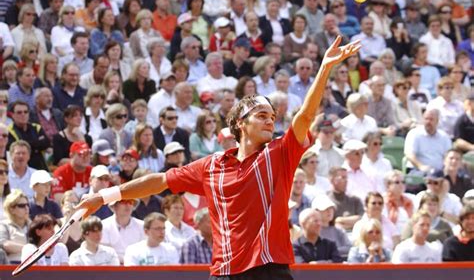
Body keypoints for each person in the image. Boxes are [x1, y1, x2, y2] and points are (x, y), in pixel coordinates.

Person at [76, 35, 361, 278]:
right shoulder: (212, 165)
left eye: (272, 117)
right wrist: (103, 197)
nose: (270, 122)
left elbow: (305, 116)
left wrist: (324, 69)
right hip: (225, 271)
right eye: (261, 115)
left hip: (270, 268)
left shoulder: (279, 153)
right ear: (240, 124)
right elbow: (159, 181)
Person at [404, 108, 452, 175]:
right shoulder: (414, 134)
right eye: (426, 119)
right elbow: (409, 155)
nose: (428, 122)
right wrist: (421, 166)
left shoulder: (444, 136)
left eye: (431, 119)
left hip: (440, 171)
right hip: (417, 170)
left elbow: (448, 156)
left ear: (437, 121)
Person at [7, 101, 50, 171]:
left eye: (25, 112)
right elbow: (14, 148)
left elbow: (46, 143)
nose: (23, 114)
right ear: (12, 115)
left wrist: (26, 144)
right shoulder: (9, 131)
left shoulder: (36, 127)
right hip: (21, 169)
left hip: (40, 167)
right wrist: (36, 145)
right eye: (19, 112)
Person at [101, 198, 145, 263]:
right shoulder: (103, 225)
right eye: (123, 202)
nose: (127, 205)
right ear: (114, 206)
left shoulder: (142, 226)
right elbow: (105, 252)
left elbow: (144, 250)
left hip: (136, 266)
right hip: (111, 267)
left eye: (130, 202)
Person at [0, 190, 30, 264]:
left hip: (34, 265)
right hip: (11, 266)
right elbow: (4, 244)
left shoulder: (33, 225)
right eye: (22, 206)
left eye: (27, 205)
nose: (26, 208)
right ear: (11, 209)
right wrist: (28, 249)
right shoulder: (4, 225)